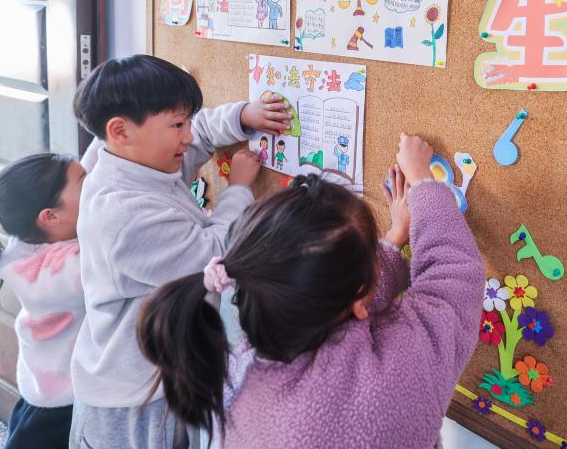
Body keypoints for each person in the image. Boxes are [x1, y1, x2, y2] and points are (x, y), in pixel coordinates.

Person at [137, 134, 485, 448]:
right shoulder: (397, 377)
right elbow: (453, 278)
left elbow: (332, 301)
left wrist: (393, 238)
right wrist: (423, 181)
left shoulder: (240, 370)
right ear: (359, 298)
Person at [68, 54, 291, 448]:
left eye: (186, 121)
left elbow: (200, 133)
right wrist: (239, 189)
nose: (187, 136)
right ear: (120, 130)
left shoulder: (139, 160)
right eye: (177, 125)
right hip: (137, 397)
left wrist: (243, 116)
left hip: (161, 372)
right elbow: (215, 253)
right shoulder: (123, 215)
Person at [0, 153, 88, 448]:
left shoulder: (27, 244)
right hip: (61, 404)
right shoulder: (65, 273)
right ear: (49, 216)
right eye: (85, 182)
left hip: (43, 388)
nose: (97, 186)